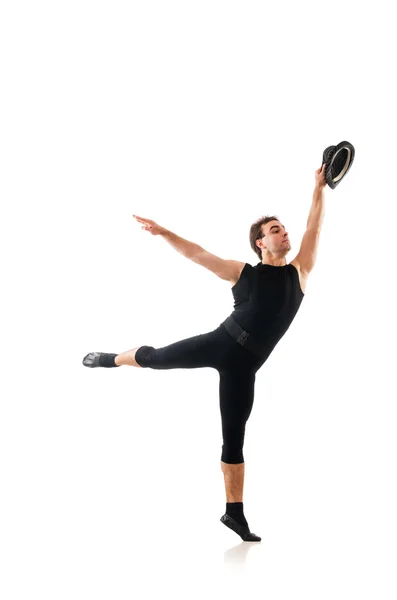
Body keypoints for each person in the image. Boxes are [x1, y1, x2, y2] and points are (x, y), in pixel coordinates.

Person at [83, 164, 327, 542]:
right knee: (157, 358)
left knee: (234, 438)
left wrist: (318, 187)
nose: (285, 233)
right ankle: (111, 358)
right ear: (261, 242)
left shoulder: (301, 272)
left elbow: (314, 225)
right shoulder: (242, 273)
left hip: (245, 368)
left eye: (284, 228)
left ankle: (234, 514)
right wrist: (164, 232)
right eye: (275, 230)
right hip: (221, 343)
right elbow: (196, 254)